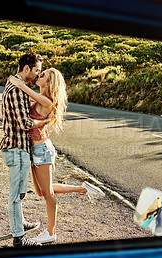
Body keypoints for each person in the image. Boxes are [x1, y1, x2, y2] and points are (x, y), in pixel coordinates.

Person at [8, 67, 105, 244]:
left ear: (49, 83)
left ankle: (51, 232)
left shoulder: (47, 101)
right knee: (41, 191)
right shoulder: (41, 96)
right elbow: (25, 97)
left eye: (42, 75)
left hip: (42, 150)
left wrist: (17, 82)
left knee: (48, 194)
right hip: (35, 151)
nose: (39, 75)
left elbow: (24, 90)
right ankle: (83, 189)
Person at [0, 51, 49, 247]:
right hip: (17, 147)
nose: (38, 74)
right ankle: (19, 238)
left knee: (19, 192)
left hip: (15, 146)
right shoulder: (18, 90)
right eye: (37, 70)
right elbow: (24, 123)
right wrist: (46, 120)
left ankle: (20, 223)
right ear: (26, 68)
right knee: (17, 194)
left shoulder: (14, 84)